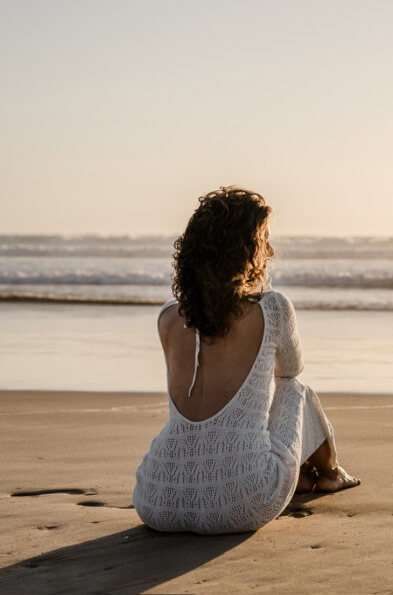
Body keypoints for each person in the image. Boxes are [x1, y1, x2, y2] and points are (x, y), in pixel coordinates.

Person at [133, 186, 358, 534]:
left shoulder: (168, 317)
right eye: (263, 239)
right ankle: (330, 474)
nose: (271, 250)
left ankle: (310, 473)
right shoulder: (273, 308)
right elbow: (291, 371)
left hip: (156, 497)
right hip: (243, 500)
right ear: (243, 250)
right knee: (295, 388)